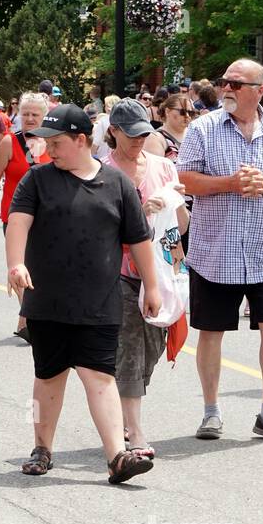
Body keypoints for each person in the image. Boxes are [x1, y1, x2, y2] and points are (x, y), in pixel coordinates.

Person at [6, 103, 162, 485]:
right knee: (49, 375)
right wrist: (16, 264)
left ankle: (116, 458)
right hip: (47, 301)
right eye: (46, 142)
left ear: (81, 140)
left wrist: (152, 286)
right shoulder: (37, 180)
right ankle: (42, 448)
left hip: (99, 302)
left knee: (100, 376)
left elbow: (139, 240)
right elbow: (17, 223)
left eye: (56, 143)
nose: (49, 150)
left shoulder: (117, 183)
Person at [177, 59, 263, 443]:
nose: (227, 89)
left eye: (236, 83)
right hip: (217, 251)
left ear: (260, 90)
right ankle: (211, 412)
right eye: (224, 82)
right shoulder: (203, 129)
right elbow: (185, 180)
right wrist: (229, 183)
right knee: (212, 332)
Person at [104, 100, 188, 457]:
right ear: (113, 132)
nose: (139, 140)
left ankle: (125, 413)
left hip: (161, 270)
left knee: (152, 348)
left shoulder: (164, 167)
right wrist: (140, 213)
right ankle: (135, 432)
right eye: (131, 134)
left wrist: (170, 204)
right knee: (129, 348)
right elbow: (99, 229)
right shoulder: (102, 171)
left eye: (144, 133)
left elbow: (181, 225)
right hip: (118, 272)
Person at [0, 91, 51, 342]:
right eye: (25, 113)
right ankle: (31, 317)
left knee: (44, 269)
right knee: (19, 267)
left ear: (45, 116)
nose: (29, 118)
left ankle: (25, 321)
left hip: (49, 217)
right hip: (15, 215)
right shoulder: (9, 142)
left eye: (35, 114)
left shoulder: (55, 142)